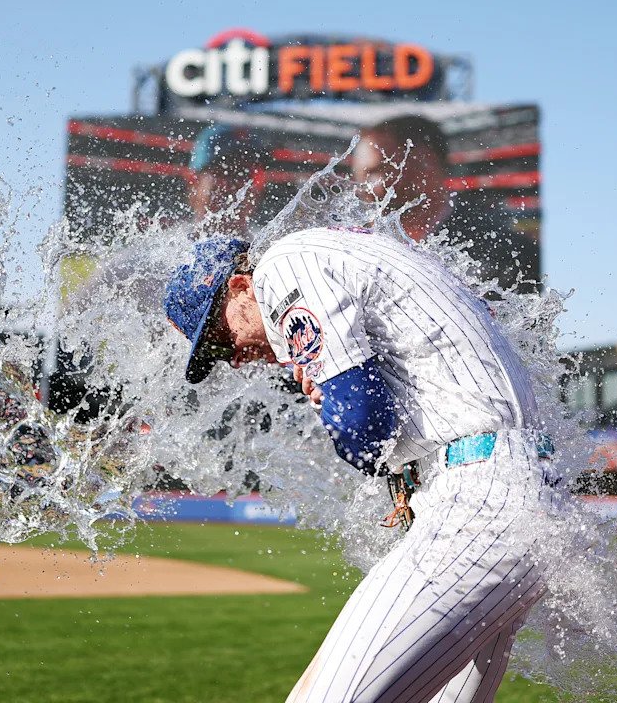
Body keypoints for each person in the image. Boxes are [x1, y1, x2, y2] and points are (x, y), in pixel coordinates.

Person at [164, 227, 546, 703]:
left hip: (482, 501)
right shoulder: (331, 252)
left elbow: (364, 428)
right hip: (508, 490)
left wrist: (331, 401)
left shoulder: (281, 268)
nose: (235, 360)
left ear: (242, 288)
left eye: (222, 340)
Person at [352, 115, 452, 242]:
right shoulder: (349, 243)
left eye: (387, 170)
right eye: (364, 176)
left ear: (427, 162)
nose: (371, 187)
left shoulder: (480, 235)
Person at [187, 123, 268, 234]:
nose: (230, 188)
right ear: (194, 187)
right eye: (220, 174)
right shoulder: (169, 243)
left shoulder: (269, 248)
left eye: (242, 175)